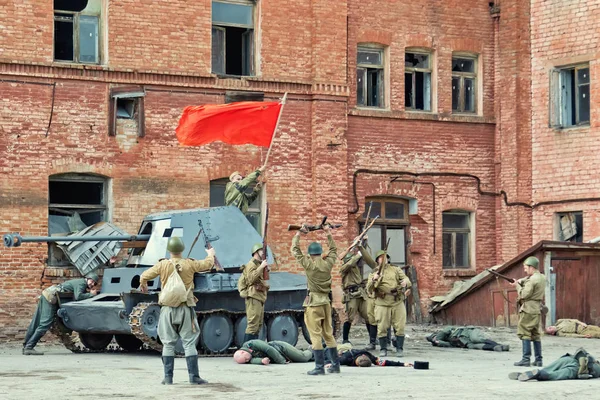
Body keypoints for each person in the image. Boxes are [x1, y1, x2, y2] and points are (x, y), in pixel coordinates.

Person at [139, 237, 214, 385]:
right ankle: (194, 377)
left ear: (169, 250)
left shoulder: (163, 265)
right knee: (189, 343)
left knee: (168, 344)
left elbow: (144, 276)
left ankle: (168, 378)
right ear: (182, 249)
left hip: (167, 309)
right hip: (185, 307)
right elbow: (208, 264)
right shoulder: (190, 264)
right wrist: (211, 253)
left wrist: (144, 286)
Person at [291, 223, 340, 375]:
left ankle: (319, 367)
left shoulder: (309, 266)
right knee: (329, 334)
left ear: (310, 254)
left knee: (315, 335)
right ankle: (335, 365)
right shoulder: (327, 264)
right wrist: (328, 233)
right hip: (326, 303)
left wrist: (298, 234)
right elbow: (334, 250)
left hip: (314, 304)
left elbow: (295, 251)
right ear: (320, 253)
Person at [22, 273, 100, 355]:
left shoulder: (81, 283)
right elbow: (78, 296)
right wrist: (91, 294)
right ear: (87, 278)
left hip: (47, 294)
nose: (92, 284)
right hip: (51, 297)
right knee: (45, 323)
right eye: (91, 281)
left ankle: (26, 345)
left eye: (94, 283)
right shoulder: (82, 283)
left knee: (36, 321)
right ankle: (29, 347)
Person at [364, 249, 411, 357]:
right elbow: (369, 288)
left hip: (396, 301)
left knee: (400, 326)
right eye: (381, 258)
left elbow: (406, 279)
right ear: (377, 260)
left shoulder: (395, 269)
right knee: (382, 326)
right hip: (382, 302)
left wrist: (405, 282)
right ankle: (383, 348)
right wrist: (374, 280)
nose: (383, 259)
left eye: (385, 257)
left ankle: (399, 349)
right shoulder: (374, 272)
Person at [510, 256, 546, 367]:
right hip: (536, 309)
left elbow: (524, 294)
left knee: (524, 332)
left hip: (528, 308)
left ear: (531, 267)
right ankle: (538, 359)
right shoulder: (541, 277)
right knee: (535, 334)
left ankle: (526, 359)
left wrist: (517, 286)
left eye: (526, 267)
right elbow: (528, 279)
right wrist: (519, 281)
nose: (525, 270)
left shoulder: (532, 280)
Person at [340, 246, 374, 345]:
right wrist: (357, 255)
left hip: (360, 293)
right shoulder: (345, 267)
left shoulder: (355, 269)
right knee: (349, 317)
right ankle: (345, 339)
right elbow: (349, 264)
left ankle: (372, 339)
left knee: (368, 315)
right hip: (351, 294)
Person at [509, 348, 600, 381]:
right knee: (554, 375)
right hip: (577, 370)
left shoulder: (593, 360)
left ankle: (526, 373)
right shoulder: (597, 368)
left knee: (548, 368)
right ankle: (539, 375)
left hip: (569, 359)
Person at [240, 243, 269, 343]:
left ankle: (253, 348)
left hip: (259, 296)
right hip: (253, 297)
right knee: (252, 325)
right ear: (255, 252)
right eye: (261, 250)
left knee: (258, 325)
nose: (263, 252)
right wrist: (261, 267)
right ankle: (246, 350)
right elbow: (251, 279)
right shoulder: (251, 264)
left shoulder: (258, 264)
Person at [426, 326, 510, 351]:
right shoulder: (445, 341)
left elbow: (444, 332)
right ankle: (494, 347)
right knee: (473, 346)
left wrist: (437, 338)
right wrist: (439, 343)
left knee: (476, 339)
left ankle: (501, 345)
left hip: (469, 332)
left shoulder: (446, 330)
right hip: (465, 341)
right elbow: (450, 345)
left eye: (434, 336)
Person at [233, 339, 313, 365]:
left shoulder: (252, 344)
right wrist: (261, 361)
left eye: (245, 359)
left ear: (243, 352)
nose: (247, 361)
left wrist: (281, 361)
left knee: (303, 357)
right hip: (279, 354)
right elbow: (252, 360)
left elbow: (269, 349)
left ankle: (314, 349)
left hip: (281, 348)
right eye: (245, 362)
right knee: (307, 358)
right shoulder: (247, 355)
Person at [335, 343, 413, 367]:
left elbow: (386, 362)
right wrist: (403, 364)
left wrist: (403, 364)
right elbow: (386, 363)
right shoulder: (371, 357)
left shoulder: (345, 360)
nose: (364, 356)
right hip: (343, 349)